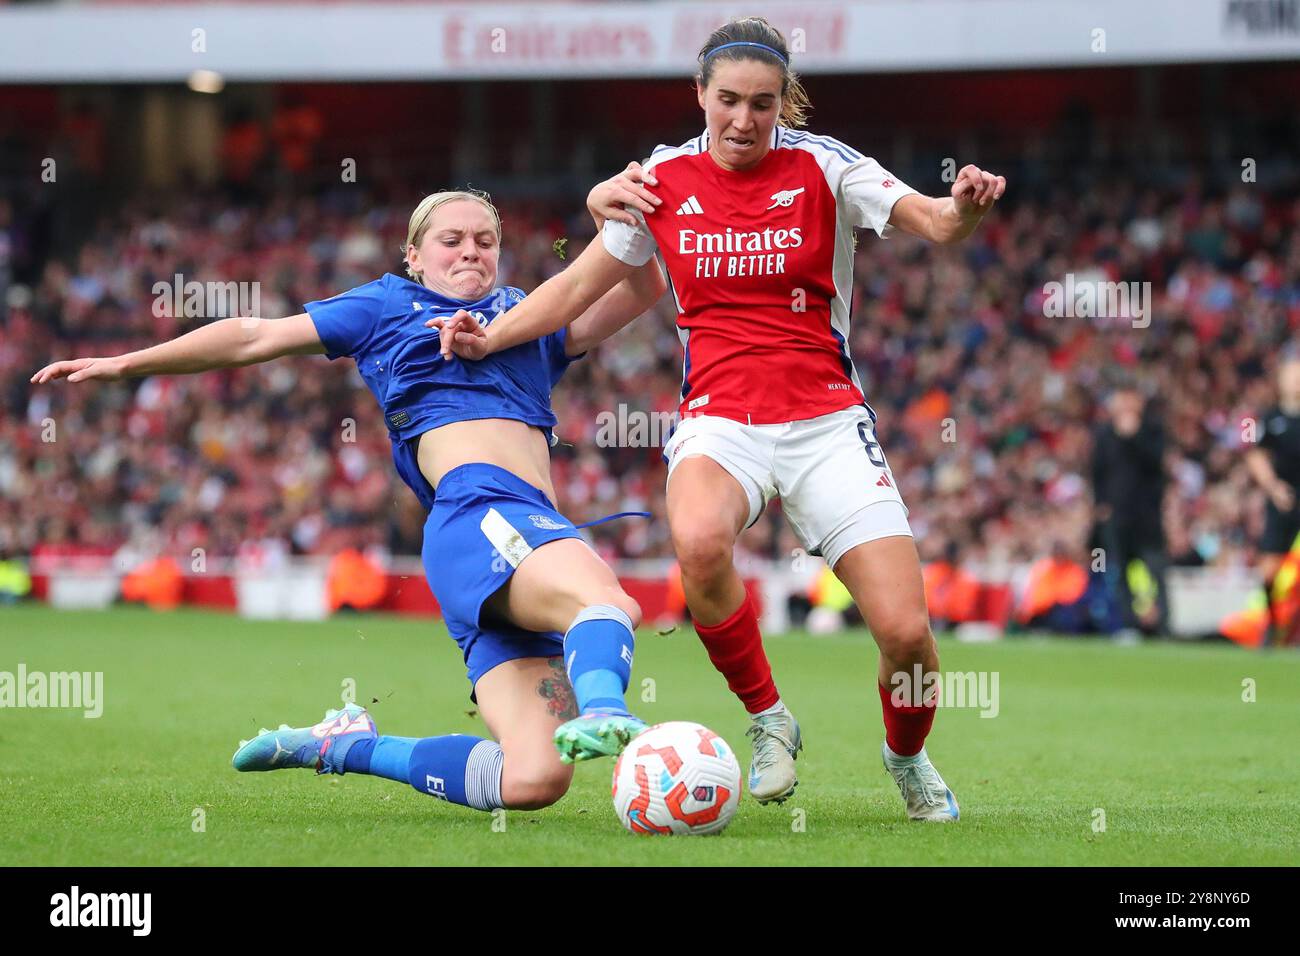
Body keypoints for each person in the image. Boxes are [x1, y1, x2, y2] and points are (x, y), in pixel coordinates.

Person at [436, 16, 1006, 821]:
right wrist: (490, 335)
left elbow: (938, 224)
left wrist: (967, 208)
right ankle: (769, 718)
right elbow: (576, 286)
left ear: (784, 105)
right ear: (699, 94)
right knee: (699, 546)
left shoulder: (826, 166)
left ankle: (906, 755)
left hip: (827, 421)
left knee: (906, 635)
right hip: (718, 419)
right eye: (729, 100)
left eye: (763, 104)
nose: (743, 120)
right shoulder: (662, 180)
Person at [31, 185, 667, 814]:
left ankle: (349, 746)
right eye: (451, 241)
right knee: (605, 600)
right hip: (480, 514)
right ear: (413, 256)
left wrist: (625, 219)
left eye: (485, 241)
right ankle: (609, 713)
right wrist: (127, 364)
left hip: (520, 536)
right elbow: (255, 337)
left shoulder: (529, 317)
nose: (471, 252)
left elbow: (643, 289)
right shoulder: (388, 306)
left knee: (532, 781)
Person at [1091, 385, 1170, 637]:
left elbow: (1156, 463)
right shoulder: (1104, 433)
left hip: (1147, 516)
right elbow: (1097, 471)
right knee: (1119, 570)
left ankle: (1163, 626)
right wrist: (1100, 504)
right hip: (1116, 516)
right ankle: (1127, 625)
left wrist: (1133, 436)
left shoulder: (1152, 429)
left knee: (1156, 569)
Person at [1245, 353, 1300, 645]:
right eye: (1291, 374)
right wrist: (1273, 487)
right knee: (1269, 568)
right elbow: (1256, 455)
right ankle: (1270, 623)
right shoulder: (1271, 418)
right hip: (1284, 499)